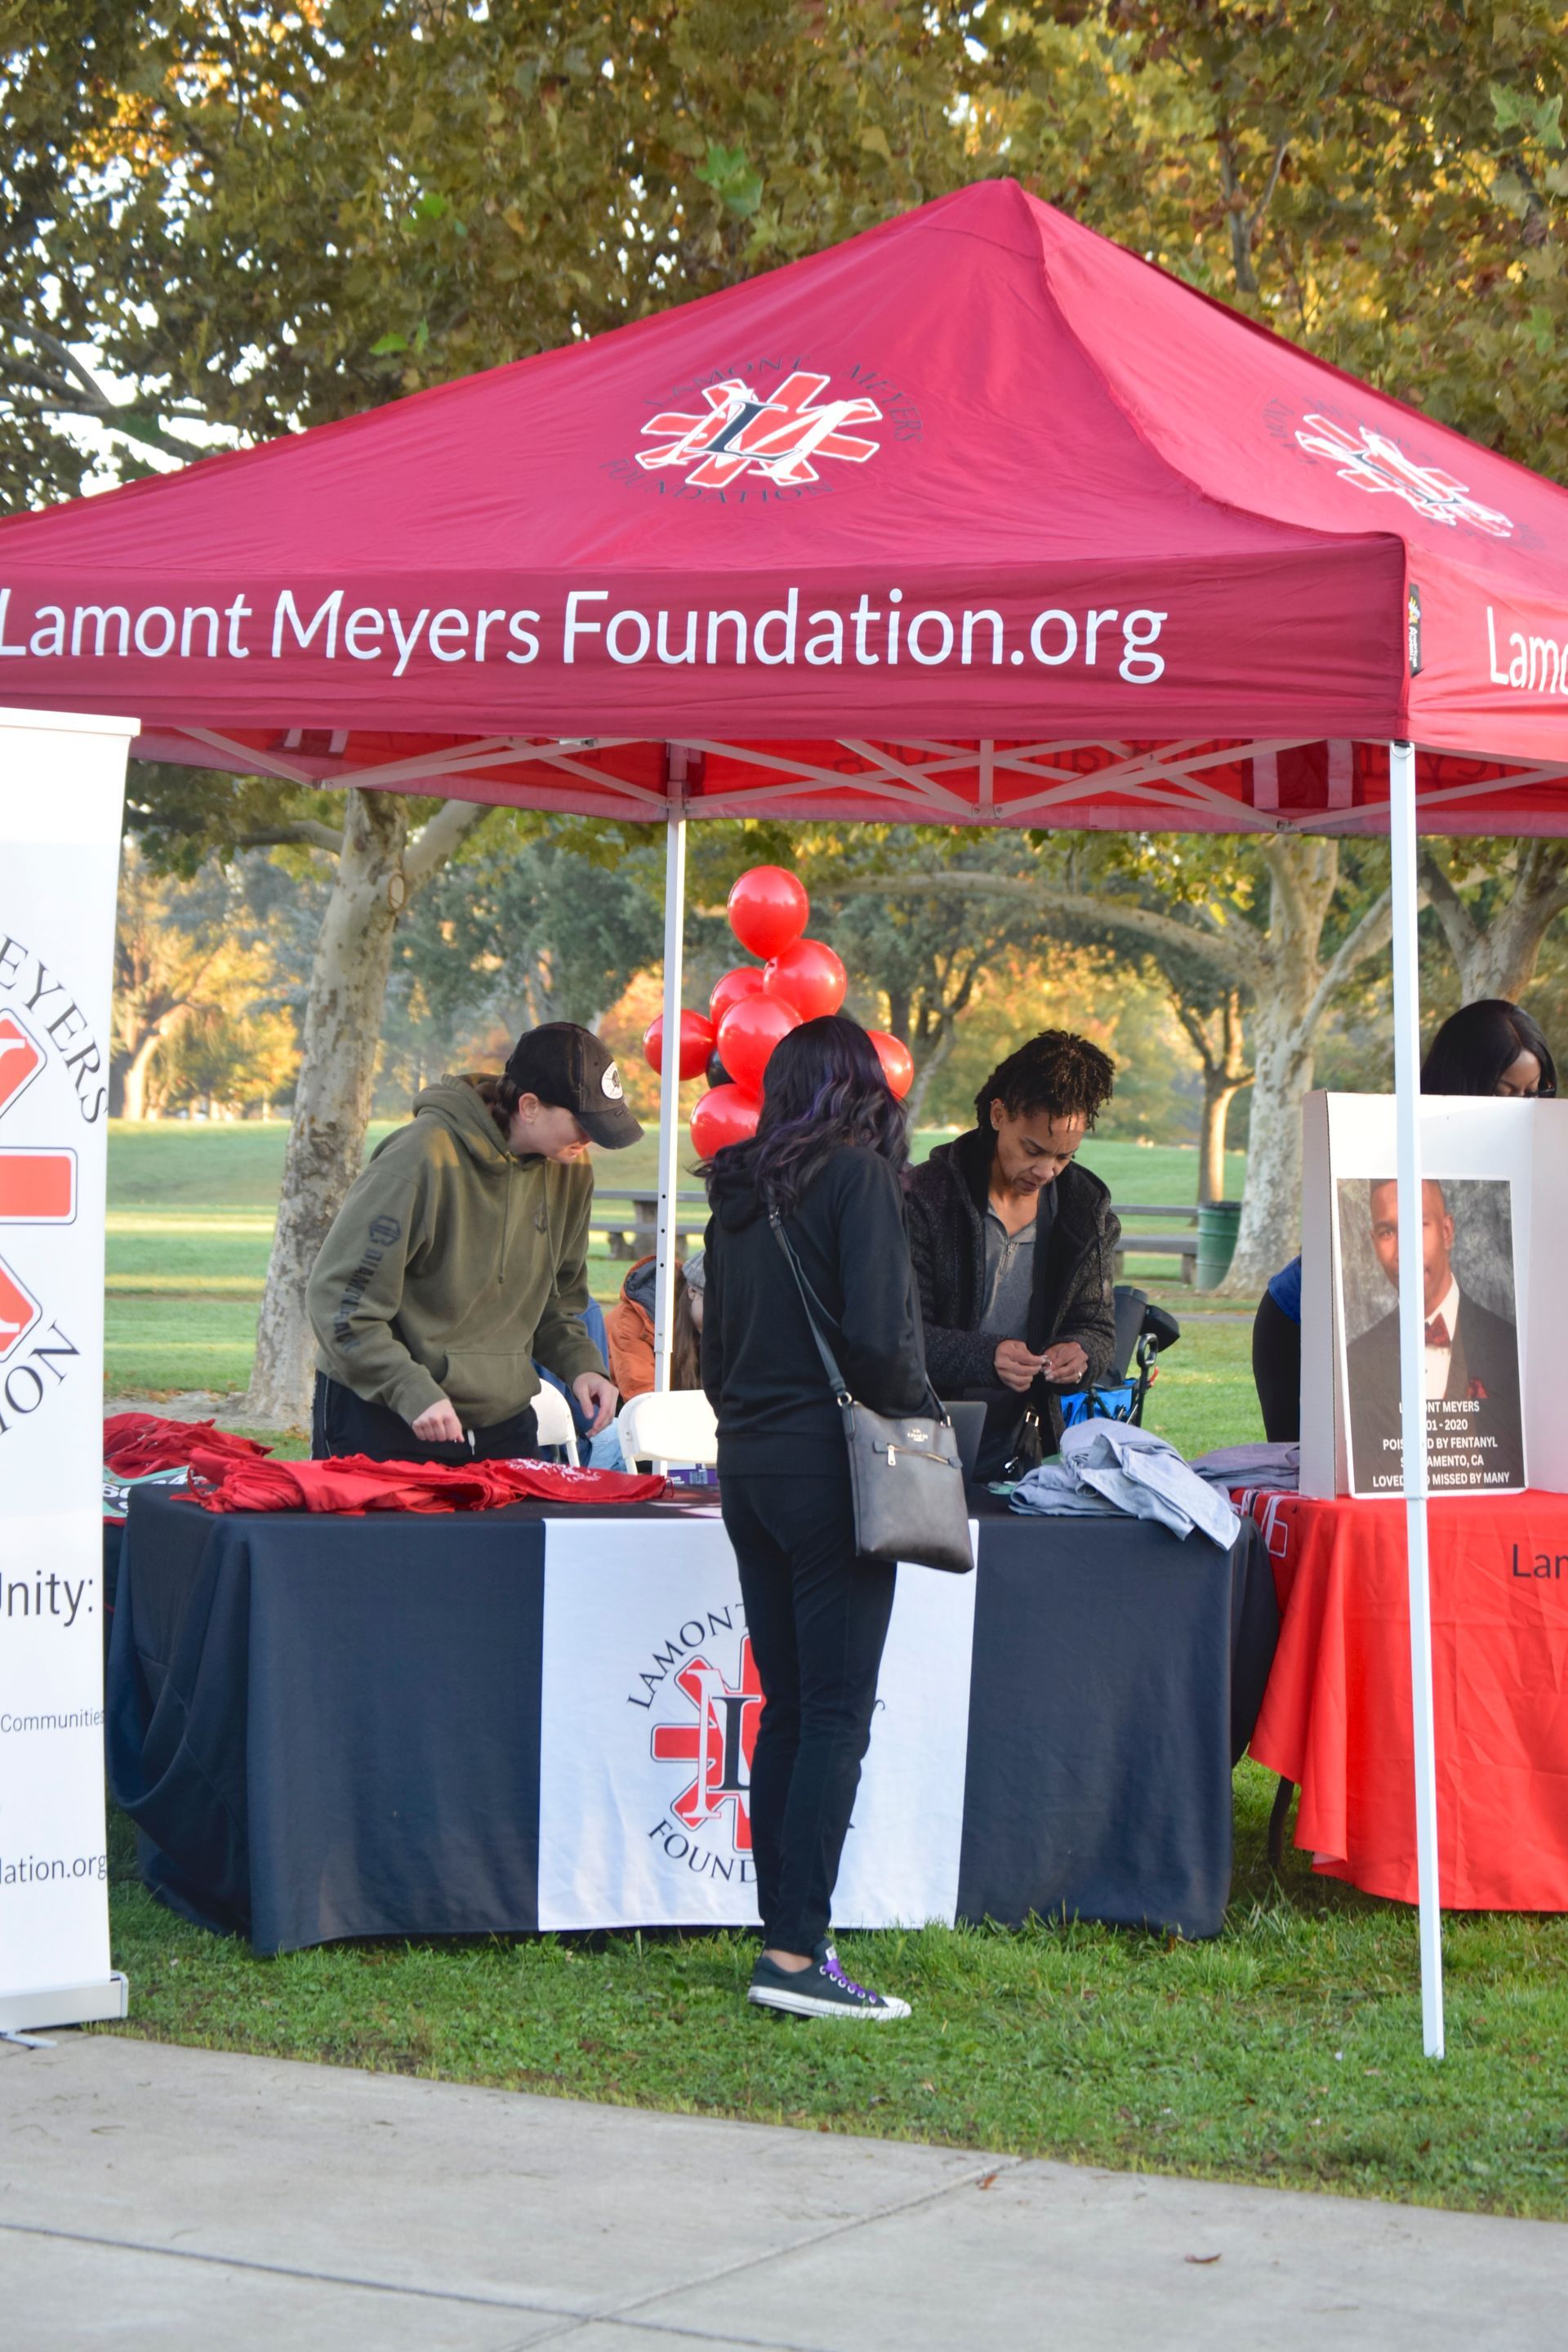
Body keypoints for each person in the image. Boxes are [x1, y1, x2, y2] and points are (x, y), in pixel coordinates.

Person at [702, 1015, 927, 2022]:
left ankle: (782, 1934)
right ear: (862, 1091)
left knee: (788, 1707)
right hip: (836, 1471)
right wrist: (923, 1418)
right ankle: (796, 1954)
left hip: (748, 1466)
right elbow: (883, 1343)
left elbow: (710, 1360)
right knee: (833, 1714)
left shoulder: (734, 1196)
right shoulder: (859, 1180)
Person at [307, 1022, 639, 1463]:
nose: (589, 1139)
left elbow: (554, 1300)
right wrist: (408, 1388)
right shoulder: (420, 1158)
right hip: (385, 1415)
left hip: (503, 1418)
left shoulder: (571, 1170)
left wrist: (581, 1363)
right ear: (530, 1106)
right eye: (582, 1122)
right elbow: (340, 1304)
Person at [1251, 998, 1557, 1441]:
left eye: (1536, 1093)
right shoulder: (1402, 1139)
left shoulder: (1536, 1149)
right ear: (1467, 1080)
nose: (1525, 1106)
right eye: (1508, 1091)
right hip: (1305, 1324)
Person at [905, 1031, 1120, 1480]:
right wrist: (987, 1357)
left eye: (1065, 1157)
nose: (1046, 1172)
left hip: (1026, 1447)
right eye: (1033, 1150)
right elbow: (901, 1335)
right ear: (998, 1113)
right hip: (916, 1439)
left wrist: (1080, 1353)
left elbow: (1097, 1328)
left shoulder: (1085, 1208)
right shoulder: (926, 1197)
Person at [1345, 1176, 1524, 1490]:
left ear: (1447, 1232)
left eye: (1418, 1226)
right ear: (1373, 1241)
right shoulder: (1355, 1363)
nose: (1404, 1251)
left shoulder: (1511, 1348)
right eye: (1388, 1232)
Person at [605, 1249, 705, 1399]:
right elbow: (644, 1404)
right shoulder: (635, 1321)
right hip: (607, 1411)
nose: (723, 1320)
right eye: (717, 1307)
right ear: (692, 1292)